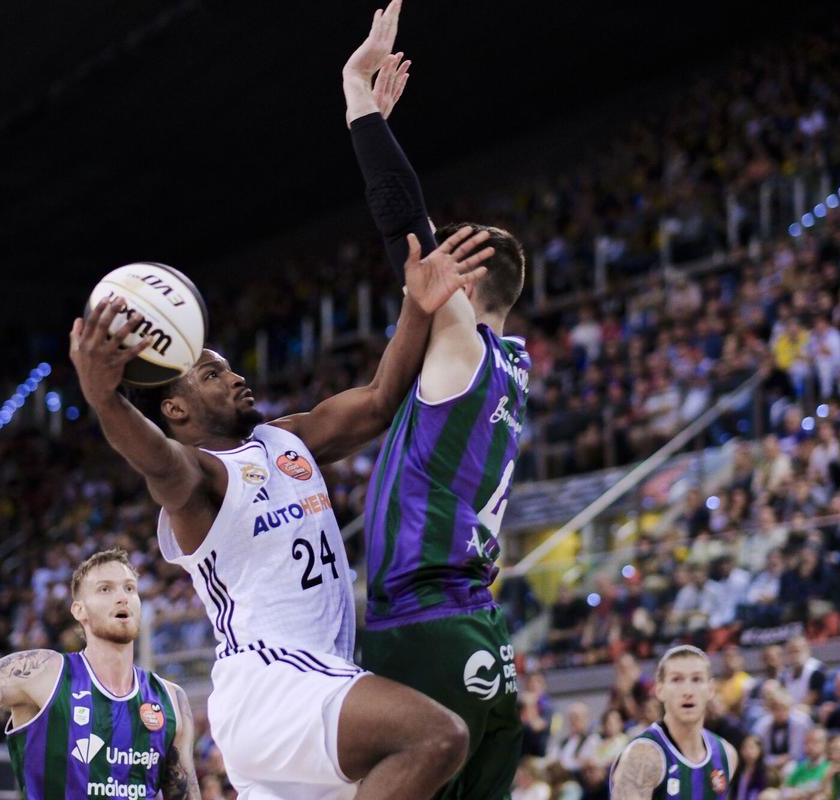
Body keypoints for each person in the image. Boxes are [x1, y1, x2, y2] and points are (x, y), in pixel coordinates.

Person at [69, 81, 492, 800]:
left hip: (317, 686)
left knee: (424, 761)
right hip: (271, 684)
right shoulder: (198, 480)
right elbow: (146, 455)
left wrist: (416, 311)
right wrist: (101, 395)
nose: (234, 377)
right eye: (212, 373)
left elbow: (381, 401)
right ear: (174, 409)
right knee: (438, 736)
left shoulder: (284, 439)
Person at [340, 4, 530, 797]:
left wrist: (358, 102)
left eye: (449, 254)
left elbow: (399, 218)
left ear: (467, 278)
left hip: (425, 626)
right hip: (481, 635)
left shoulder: (464, 344)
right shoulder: (510, 367)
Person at [0, 549, 201, 800]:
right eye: (105, 589)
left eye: (130, 588)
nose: (122, 597)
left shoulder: (171, 699)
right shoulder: (40, 673)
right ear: (79, 610)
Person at [609, 645, 737, 799]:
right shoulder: (642, 757)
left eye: (696, 679)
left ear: (710, 689)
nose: (688, 691)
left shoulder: (727, 754)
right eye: (677, 680)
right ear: (660, 690)